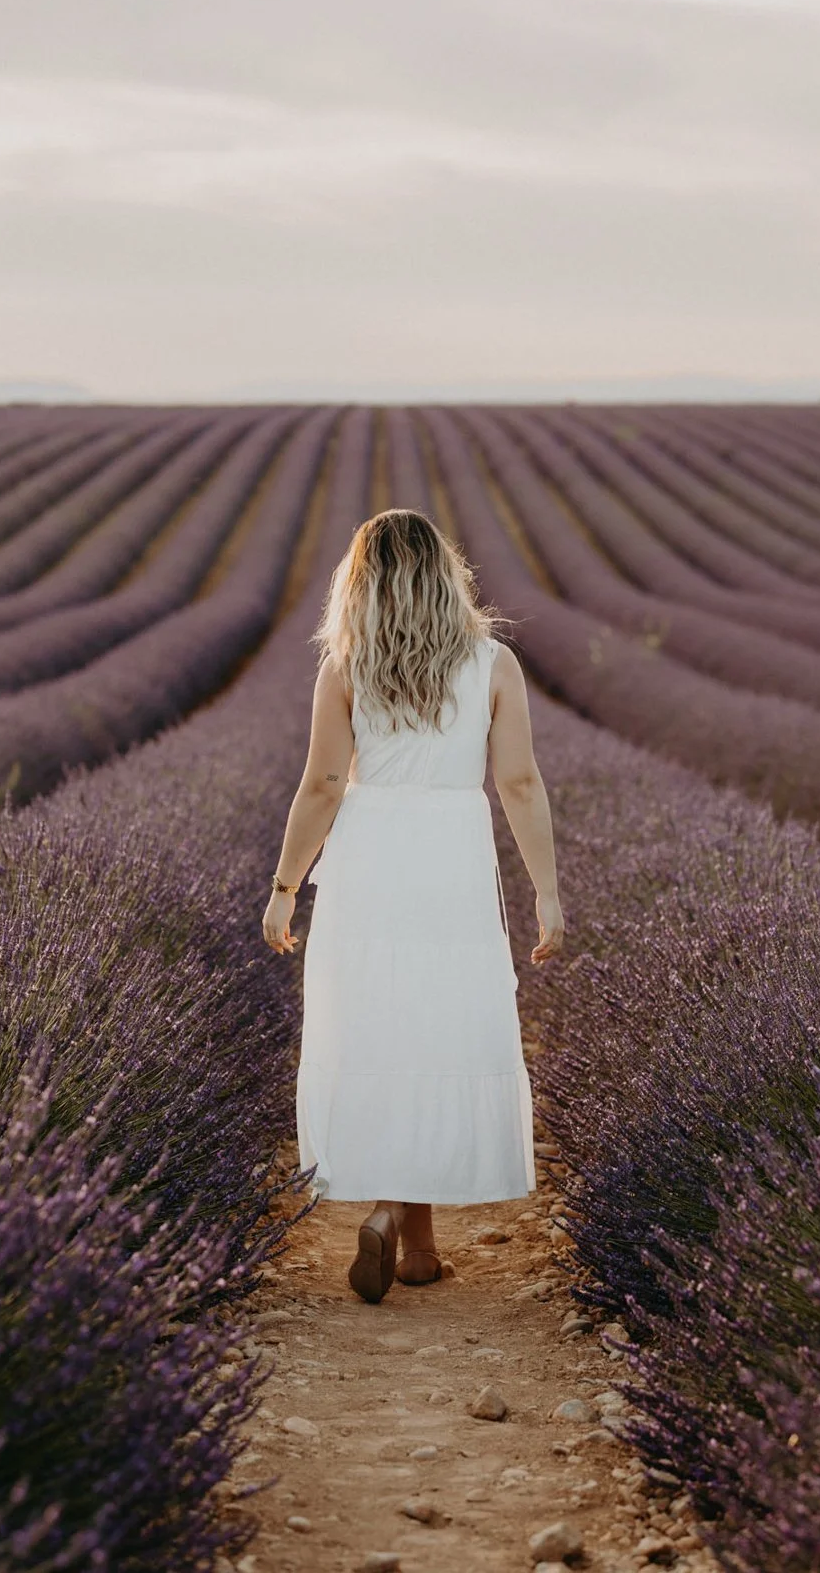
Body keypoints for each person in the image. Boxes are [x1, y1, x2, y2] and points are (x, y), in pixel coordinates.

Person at [261, 509, 565, 1304]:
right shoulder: (493, 663)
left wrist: (285, 886)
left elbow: (324, 785)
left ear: (358, 584)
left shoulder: (346, 666)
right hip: (452, 860)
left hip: (369, 858)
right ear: (446, 574)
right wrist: (546, 891)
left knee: (375, 1028)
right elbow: (520, 782)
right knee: (437, 1031)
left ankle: (398, 1219)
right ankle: (417, 1245)